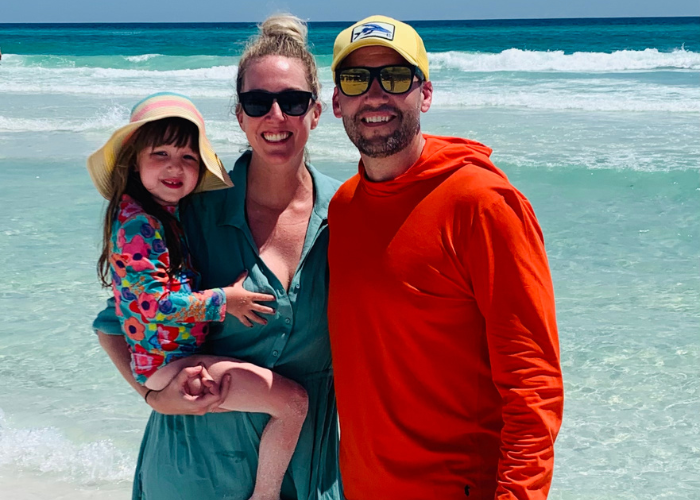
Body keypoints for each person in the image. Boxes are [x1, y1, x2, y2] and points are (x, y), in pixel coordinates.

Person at [92, 15, 341, 500]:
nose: (276, 115)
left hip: (308, 469)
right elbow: (112, 322)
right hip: (193, 468)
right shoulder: (190, 211)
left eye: (292, 101)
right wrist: (154, 396)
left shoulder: (349, 216)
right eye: (256, 102)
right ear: (239, 114)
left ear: (315, 112)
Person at [327, 15, 564, 500]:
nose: (375, 96)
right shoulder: (344, 206)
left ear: (425, 94)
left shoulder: (482, 203)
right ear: (336, 101)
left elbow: (533, 382)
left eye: (395, 78)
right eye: (356, 79)